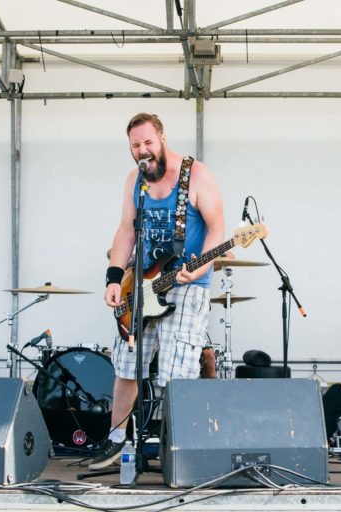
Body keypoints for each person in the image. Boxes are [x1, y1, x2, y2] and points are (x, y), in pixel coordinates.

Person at [89, 113, 224, 469]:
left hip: (185, 285)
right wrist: (114, 278)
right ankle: (116, 440)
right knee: (125, 365)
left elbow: (218, 230)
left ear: (162, 138)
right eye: (135, 145)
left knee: (177, 372)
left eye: (148, 142)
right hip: (141, 286)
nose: (142, 150)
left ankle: (179, 445)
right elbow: (125, 231)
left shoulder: (196, 174)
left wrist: (201, 266)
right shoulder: (135, 180)